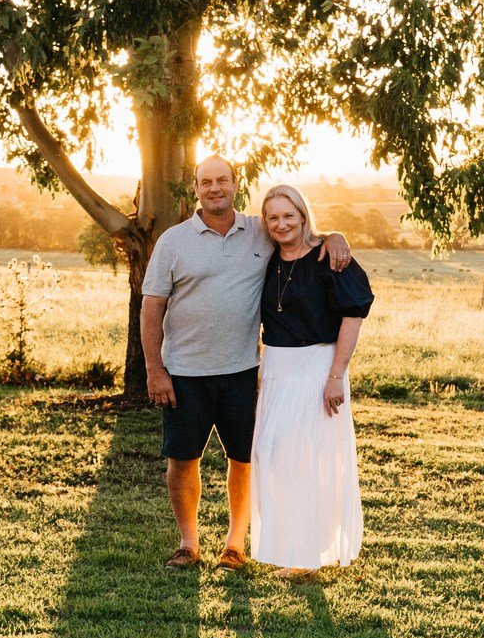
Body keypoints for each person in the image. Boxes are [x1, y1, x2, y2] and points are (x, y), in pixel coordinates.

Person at [140, 157, 350, 570]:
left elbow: (300, 234)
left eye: (222, 180)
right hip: (183, 372)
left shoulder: (259, 229)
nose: (214, 187)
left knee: (245, 458)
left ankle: (234, 545)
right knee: (183, 460)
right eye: (206, 182)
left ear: (236, 184)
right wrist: (154, 369)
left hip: (243, 373)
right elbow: (151, 307)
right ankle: (188, 544)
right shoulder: (173, 241)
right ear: (195, 189)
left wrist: (337, 235)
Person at [250, 184, 372, 578]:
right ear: (265, 223)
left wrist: (336, 376)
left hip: (319, 367)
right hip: (276, 369)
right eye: (273, 217)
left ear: (303, 216)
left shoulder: (328, 257)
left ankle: (310, 554)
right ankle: (289, 546)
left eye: (289, 215)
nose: (281, 224)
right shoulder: (267, 260)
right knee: (275, 460)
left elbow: (351, 318)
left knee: (313, 460)